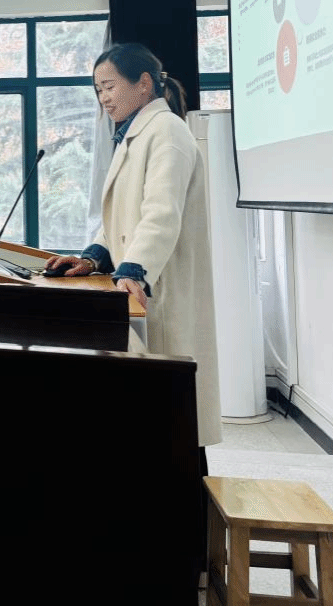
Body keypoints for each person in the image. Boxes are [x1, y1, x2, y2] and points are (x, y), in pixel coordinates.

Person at [47, 42, 220, 447]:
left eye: (109, 87)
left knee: (174, 415)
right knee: (157, 410)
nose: (103, 98)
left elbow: (161, 213)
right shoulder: (135, 136)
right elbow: (123, 218)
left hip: (159, 287)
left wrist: (134, 270)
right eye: (98, 90)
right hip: (139, 290)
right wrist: (93, 257)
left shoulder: (167, 131)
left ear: (143, 83)